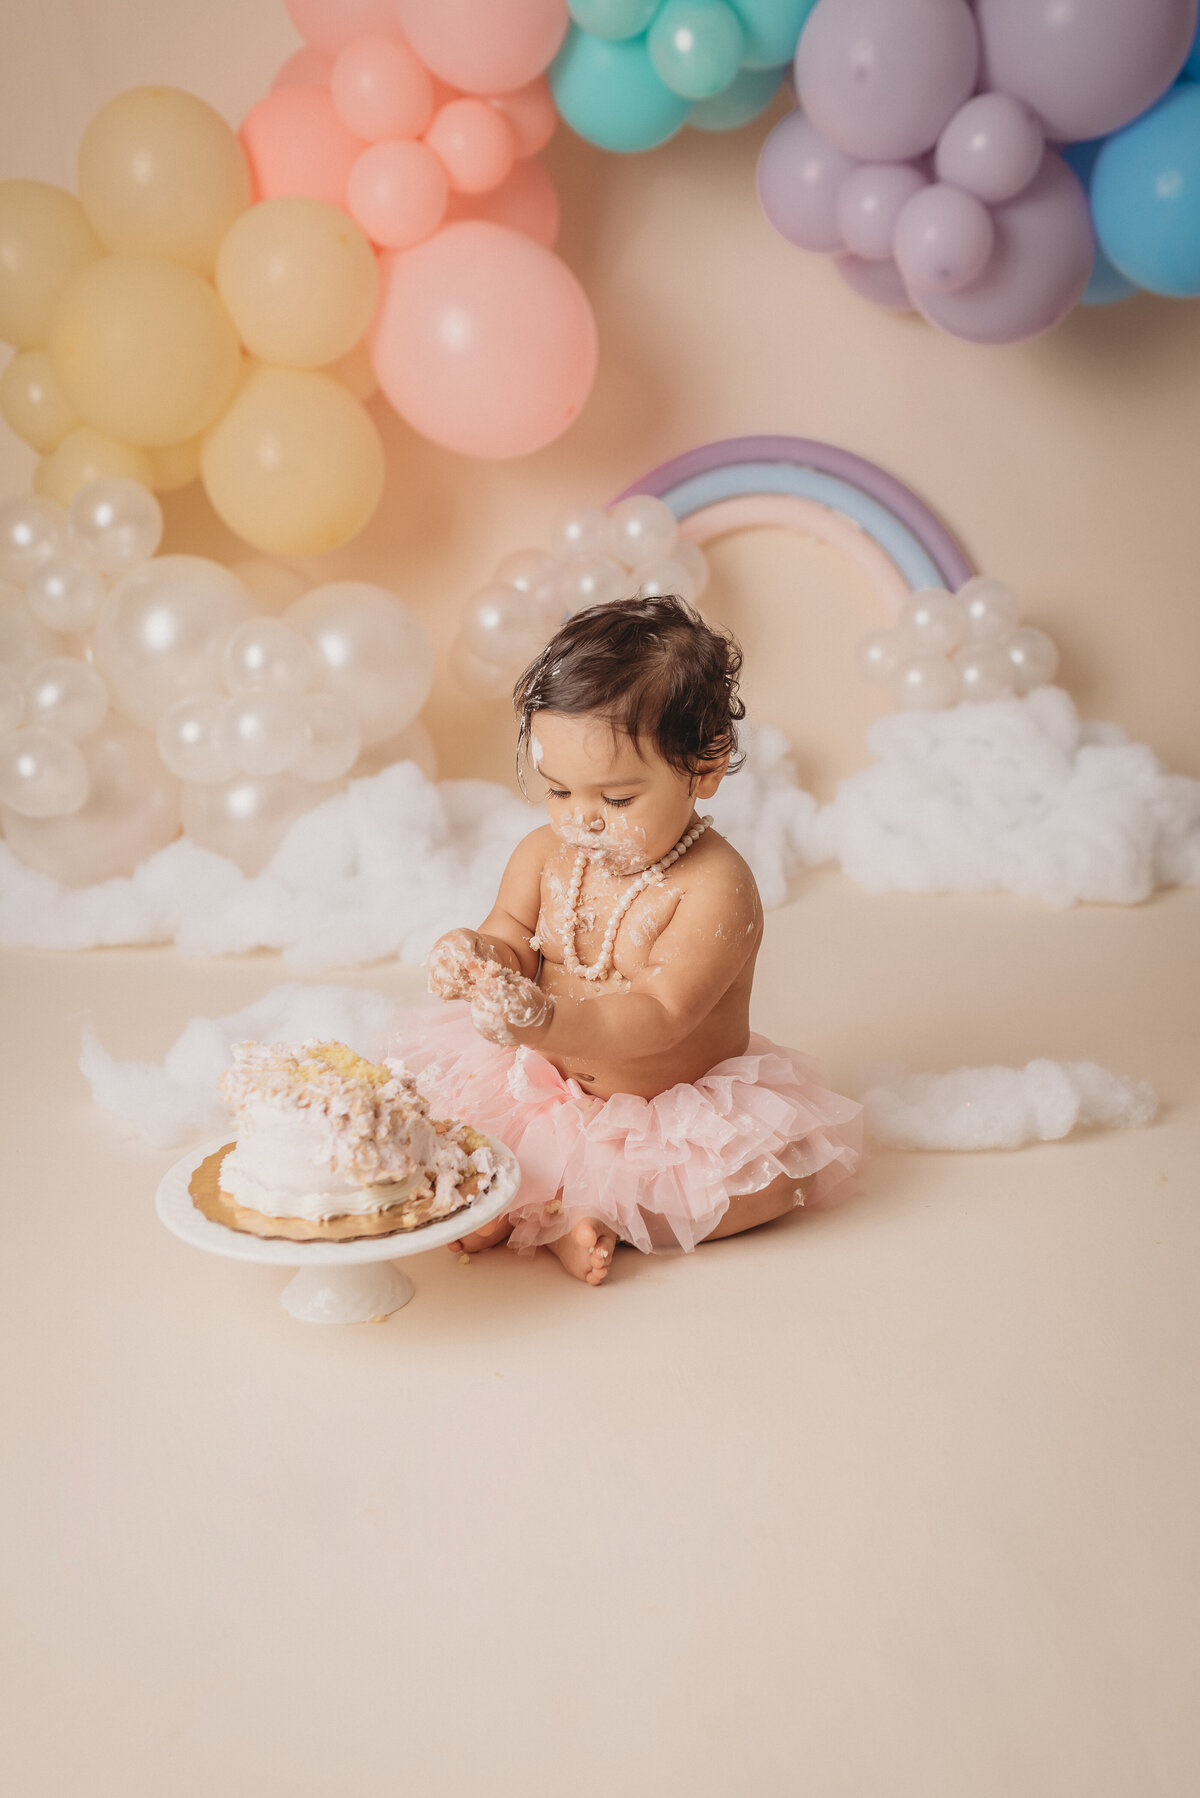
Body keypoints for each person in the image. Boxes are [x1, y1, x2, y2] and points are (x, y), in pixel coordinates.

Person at [391, 594, 863, 1285]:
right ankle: (508, 1200)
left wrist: (549, 1018)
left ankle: (578, 1216)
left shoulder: (713, 889)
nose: (581, 819)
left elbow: (662, 1014)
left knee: (769, 1184)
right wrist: (479, 956)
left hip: (662, 1111)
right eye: (558, 791)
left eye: (615, 801)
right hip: (544, 1084)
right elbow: (513, 936)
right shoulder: (544, 855)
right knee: (439, 1119)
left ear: (703, 768)